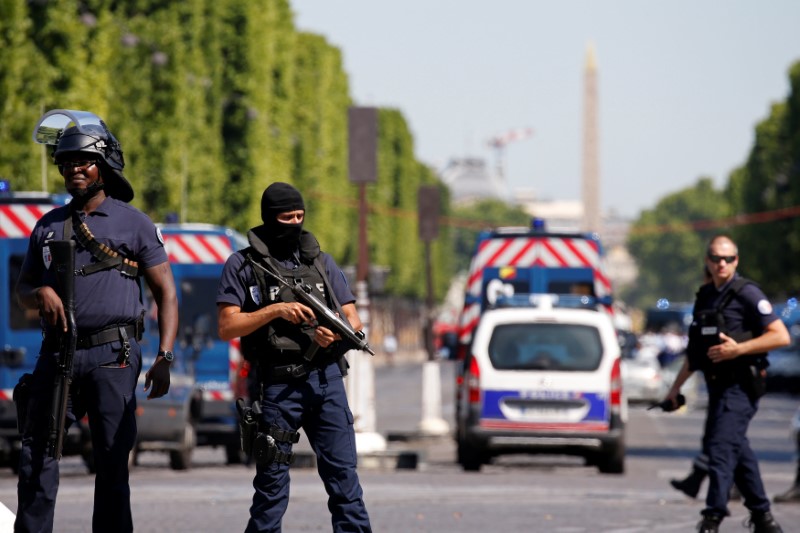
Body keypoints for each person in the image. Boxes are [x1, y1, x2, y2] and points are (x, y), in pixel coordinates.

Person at [14, 114, 178, 532]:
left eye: (82, 162)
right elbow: (25, 286)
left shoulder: (135, 223)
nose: (73, 170)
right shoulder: (47, 226)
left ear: (103, 166)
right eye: (66, 163)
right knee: (36, 455)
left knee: (111, 462)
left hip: (114, 355)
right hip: (58, 353)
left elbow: (167, 293)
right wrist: (39, 294)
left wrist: (165, 356)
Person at [216, 182, 371, 532]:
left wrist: (335, 332)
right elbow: (227, 326)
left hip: (326, 381)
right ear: (270, 219)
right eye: (287, 217)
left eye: (300, 216)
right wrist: (276, 311)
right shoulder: (242, 265)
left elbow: (353, 317)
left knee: (346, 485)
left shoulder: (321, 263)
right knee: (271, 490)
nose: (295, 223)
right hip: (278, 388)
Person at [662, 235, 789, 533]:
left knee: (720, 447)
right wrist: (674, 388)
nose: (722, 264)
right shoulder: (706, 296)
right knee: (738, 449)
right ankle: (763, 518)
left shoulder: (747, 293)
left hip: (742, 385)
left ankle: (712, 518)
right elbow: (695, 353)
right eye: (717, 258)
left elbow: (781, 336)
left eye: (728, 259)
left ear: (737, 261)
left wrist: (739, 350)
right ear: (707, 260)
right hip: (717, 386)